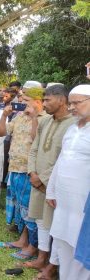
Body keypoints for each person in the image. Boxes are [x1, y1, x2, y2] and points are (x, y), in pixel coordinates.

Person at [22, 84, 75, 279]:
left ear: (61, 100)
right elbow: (34, 148)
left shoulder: (74, 124)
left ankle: (53, 265)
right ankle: (41, 258)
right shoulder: (45, 121)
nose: (43, 104)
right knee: (41, 220)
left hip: (55, 184)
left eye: (47, 100)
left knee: (57, 225)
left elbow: (66, 158)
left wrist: (43, 180)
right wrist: (32, 173)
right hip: (37, 180)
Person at [0, 87, 47, 261]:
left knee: (29, 210)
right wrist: (4, 115)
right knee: (20, 207)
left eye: (25, 99)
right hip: (14, 168)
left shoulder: (44, 118)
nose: (21, 102)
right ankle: (22, 240)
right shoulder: (18, 116)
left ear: (37, 101)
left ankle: (32, 247)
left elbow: (35, 140)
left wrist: (33, 116)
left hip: (29, 171)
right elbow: (1, 133)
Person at [45, 84, 90, 280]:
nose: (71, 107)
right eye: (70, 103)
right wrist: (51, 191)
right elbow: (61, 161)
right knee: (62, 243)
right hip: (63, 202)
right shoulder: (72, 129)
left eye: (76, 103)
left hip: (82, 205)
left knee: (80, 248)